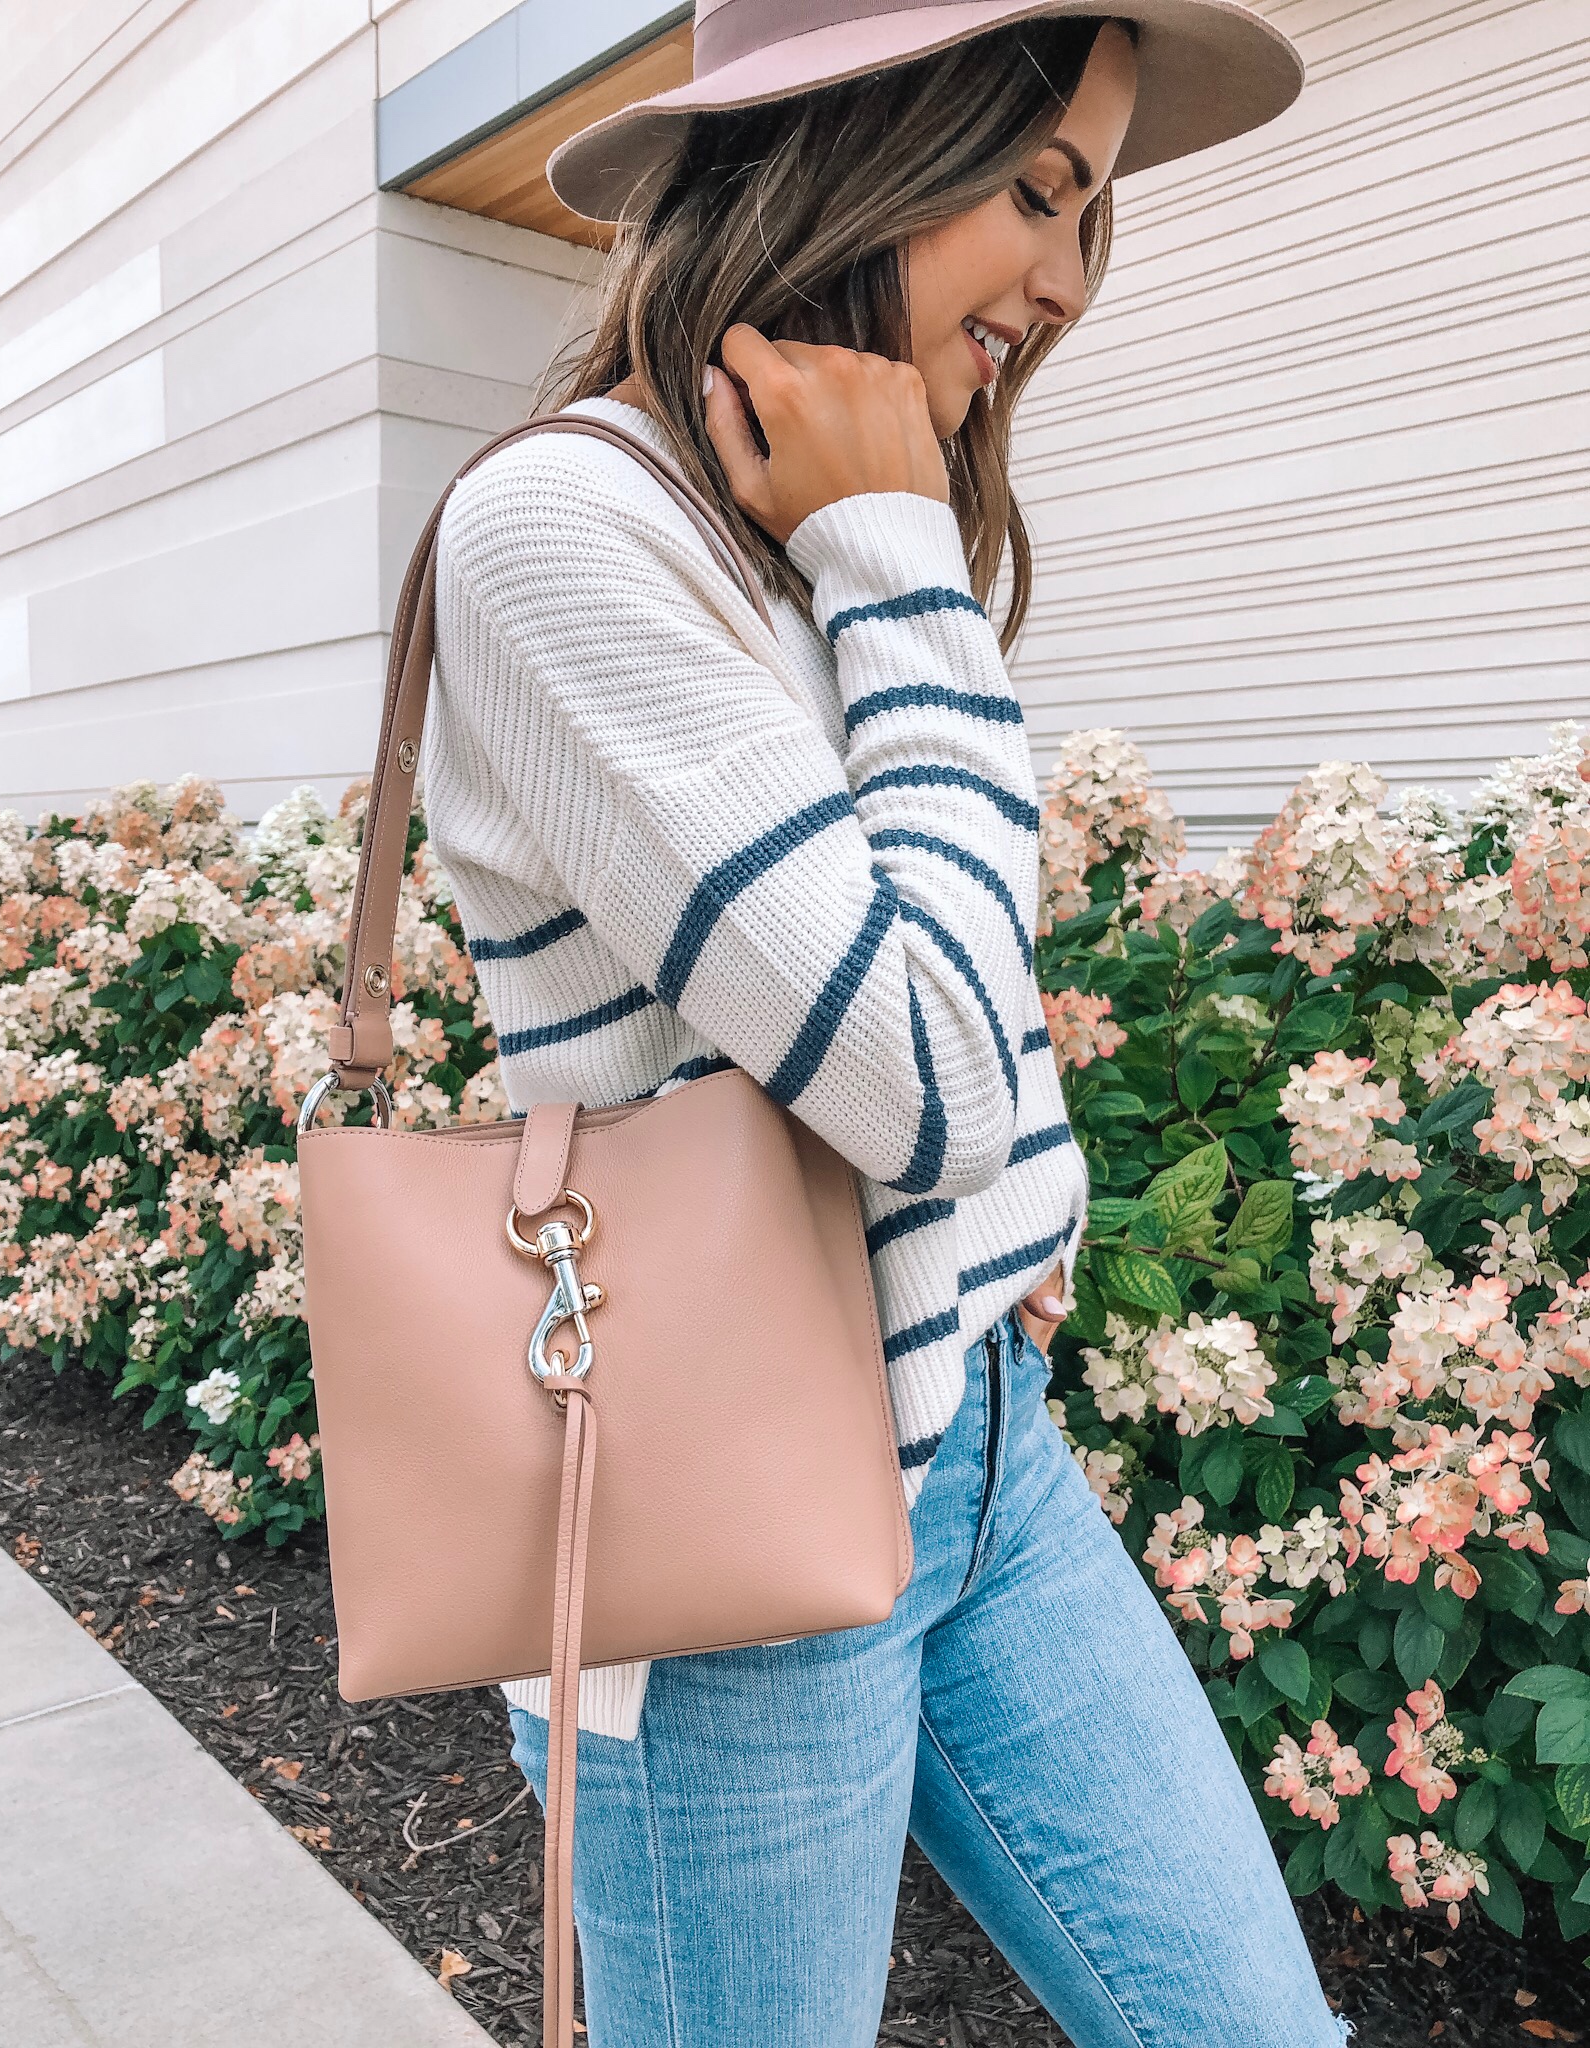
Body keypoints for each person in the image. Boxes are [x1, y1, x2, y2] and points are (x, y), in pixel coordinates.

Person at [422, 2, 1351, 2041]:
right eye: (1034, 190)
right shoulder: (566, 538)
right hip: (724, 1549)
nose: (1066, 281)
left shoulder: (807, 551)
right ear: (842, 148)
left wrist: (1032, 1219)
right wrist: (898, 552)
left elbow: (954, 1005)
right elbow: (924, 1077)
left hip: (980, 1451)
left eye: (1092, 212)